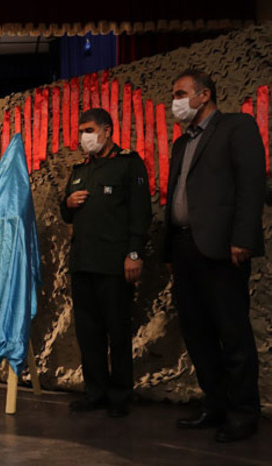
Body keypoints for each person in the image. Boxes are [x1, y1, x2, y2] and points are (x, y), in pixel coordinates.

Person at [165, 69, 265, 442]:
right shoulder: (181, 143)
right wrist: (170, 247)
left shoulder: (237, 127)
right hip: (184, 247)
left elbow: (251, 185)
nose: (175, 101)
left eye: (180, 93)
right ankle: (215, 405)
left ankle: (243, 413)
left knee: (232, 332)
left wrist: (243, 238)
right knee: (197, 332)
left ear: (204, 95)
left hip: (223, 248)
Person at [60, 108, 152, 417]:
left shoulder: (128, 164)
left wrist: (134, 253)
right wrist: (67, 203)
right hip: (82, 262)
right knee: (88, 334)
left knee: (118, 332)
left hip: (114, 264)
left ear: (107, 131)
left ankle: (120, 395)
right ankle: (95, 391)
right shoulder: (80, 170)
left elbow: (141, 213)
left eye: (89, 130)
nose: (84, 137)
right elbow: (66, 213)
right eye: (81, 131)